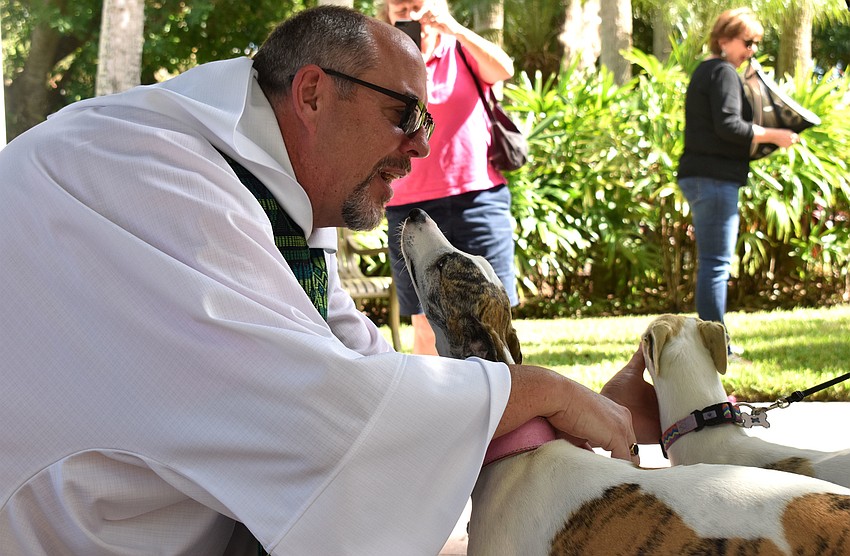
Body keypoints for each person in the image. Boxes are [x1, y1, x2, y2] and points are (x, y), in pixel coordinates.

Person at [0, 6, 657, 554]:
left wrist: (570, 411)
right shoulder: (157, 172)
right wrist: (539, 391)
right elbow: (327, 415)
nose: (421, 146)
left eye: (426, 123)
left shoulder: (262, 185)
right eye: (406, 113)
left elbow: (369, 375)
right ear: (312, 92)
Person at [376, 0, 519, 355]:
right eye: (400, 6)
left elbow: (504, 70)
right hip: (410, 204)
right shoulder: (383, 63)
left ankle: (510, 405)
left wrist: (452, 27)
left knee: (496, 314)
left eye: (417, 4)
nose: (410, 13)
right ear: (387, 12)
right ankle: (436, 406)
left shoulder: (461, 49)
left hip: (478, 198)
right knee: (426, 321)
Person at [678, 7, 799, 355]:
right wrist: (774, 135)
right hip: (714, 178)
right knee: (716, 266)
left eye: (756, 44)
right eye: (747, 42)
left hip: (702, 176)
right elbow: (729, 126)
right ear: (724, 40)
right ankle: (718, 347)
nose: (752, 50)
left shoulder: (709, 72)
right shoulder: (722, 73)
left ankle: (713, 341)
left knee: (712, 264)